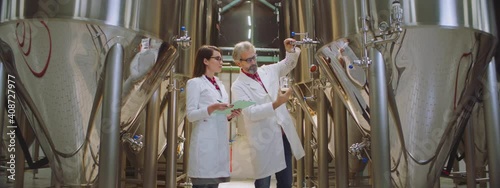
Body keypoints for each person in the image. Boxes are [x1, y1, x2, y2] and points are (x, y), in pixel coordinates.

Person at [231, 39, 305, 188]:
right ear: (238, 63)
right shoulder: (238, 86)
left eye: (254, 57)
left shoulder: (268, 70)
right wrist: (276, 103)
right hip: (262, 140)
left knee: (286, 183)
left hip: (282, 135)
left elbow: (287, 64)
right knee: (263, 183)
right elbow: (250, 112)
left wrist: (290, 51)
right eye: (249, 60)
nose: (253, 62)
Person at [186, 45, 242, 188]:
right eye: (217, 58)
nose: (221, 62)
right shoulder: (195, 83)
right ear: (205, 61)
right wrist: (210, 108)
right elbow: (190, 115)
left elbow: (219, 114)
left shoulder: (219, 85)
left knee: (214, 185)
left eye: (221, 59)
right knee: (202, 184)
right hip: (204, 144)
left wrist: (229, 115)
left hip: (218, 144)